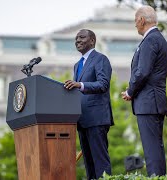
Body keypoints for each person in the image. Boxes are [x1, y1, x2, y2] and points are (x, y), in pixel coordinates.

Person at [121, 5, 167, 177]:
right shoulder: (159, 39)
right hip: (154, 101)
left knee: (151, 150)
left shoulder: (150, 40)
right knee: (155, 148)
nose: (135, 25)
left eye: (135, 21)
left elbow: (142, 71)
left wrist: (130, 91)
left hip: (149, 102)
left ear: (141, 20)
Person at [64, 29, 113, 179]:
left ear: (92, 41)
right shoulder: (77, 65)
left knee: (100, 163)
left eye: (82, 37)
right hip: (82, 120)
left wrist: (80, 85)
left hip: (97, 118)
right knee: (89, 165)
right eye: (76, 38)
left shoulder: (100, 59)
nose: (77, 40)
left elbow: (103, 84)